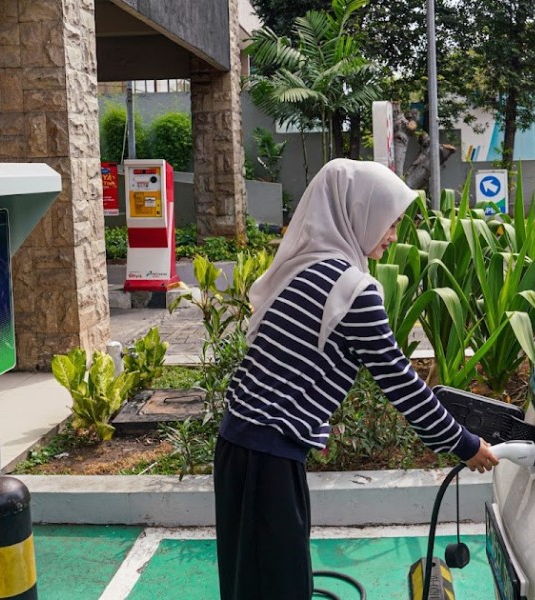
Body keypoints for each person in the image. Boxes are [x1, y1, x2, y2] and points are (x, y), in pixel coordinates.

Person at [213, 158, 499, 600]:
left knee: (249, 581)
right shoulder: (352, 290)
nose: (393, 235)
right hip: (266, 457)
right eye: (390, 222)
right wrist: (464, 444)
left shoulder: (304, 268)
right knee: (276, 586)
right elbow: (400, 381)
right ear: (359, 213)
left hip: (238, 445)